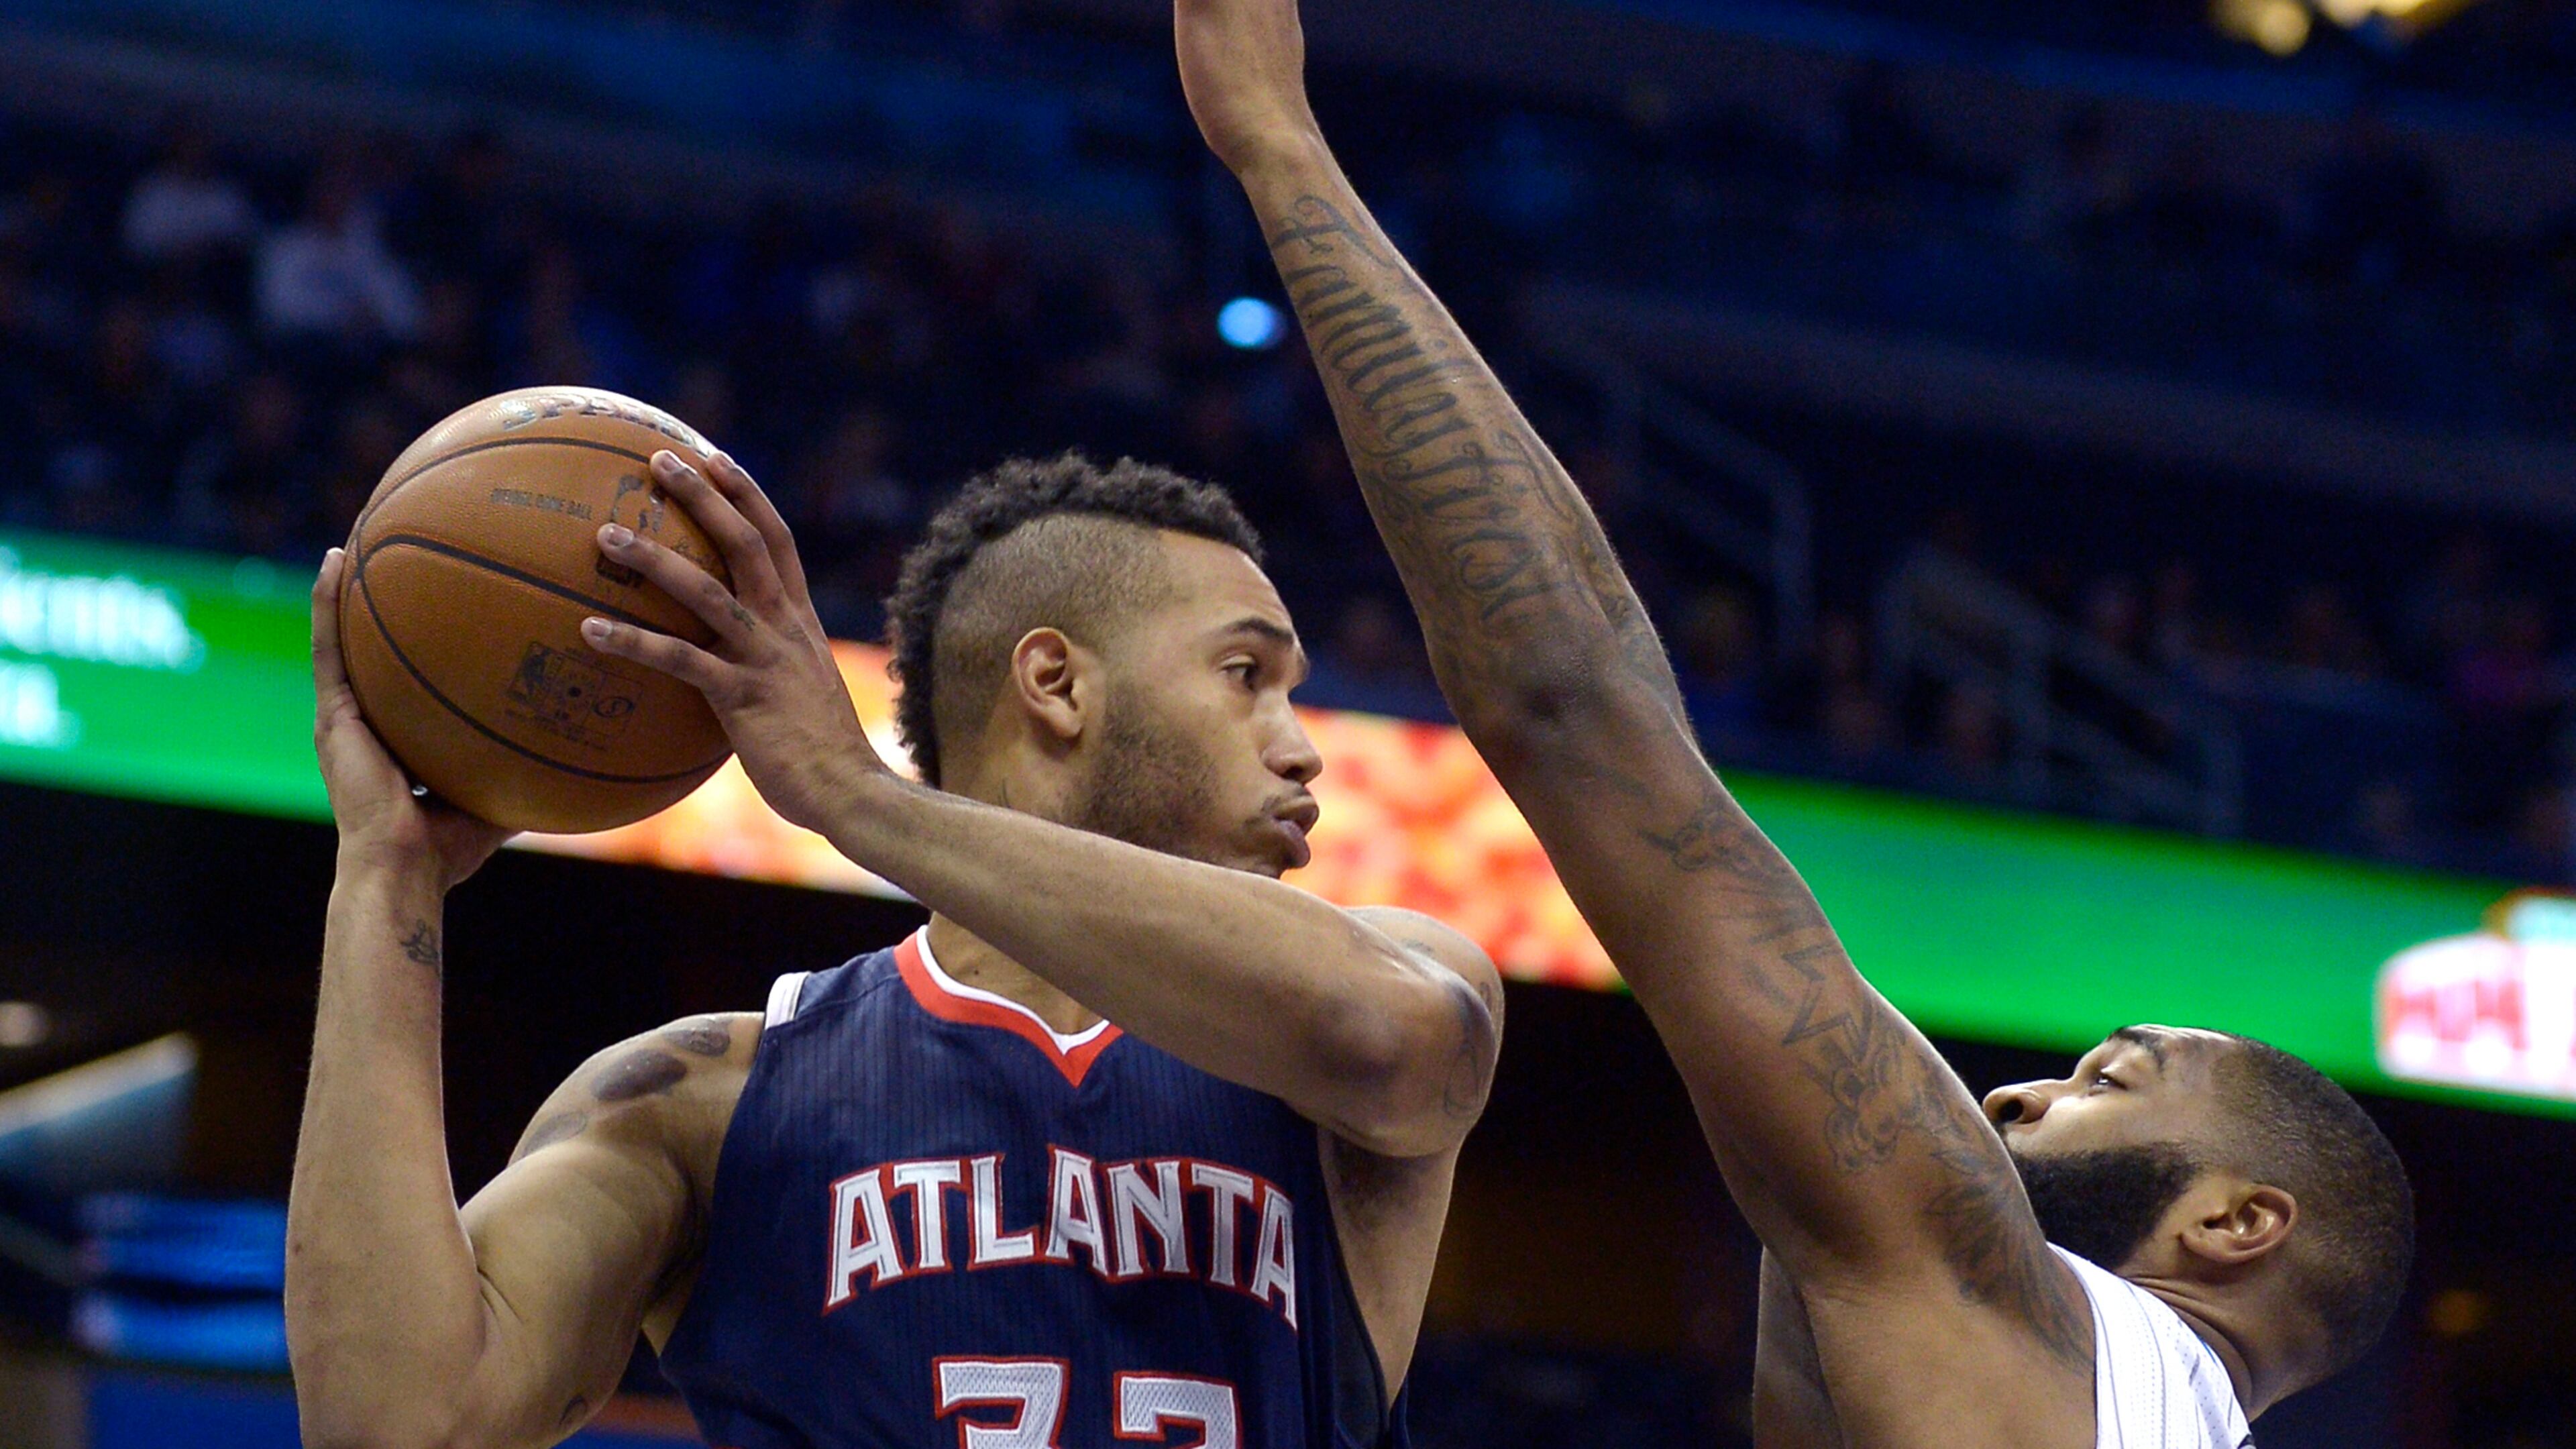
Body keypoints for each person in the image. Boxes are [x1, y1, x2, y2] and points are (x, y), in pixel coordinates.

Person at [1168, 1, 2414, 1446]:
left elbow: (1572, 699)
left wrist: (1280, 149)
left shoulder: (2050, 1320)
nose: (2006, 1100)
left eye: (2105, 1082)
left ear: (2238, 1224)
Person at [289, 451, 1501, 1448]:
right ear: (1054, 683)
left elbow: (1386, 1037)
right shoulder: (704, 1098)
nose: (1303, 752)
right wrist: (385, 878)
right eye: (1247, 676)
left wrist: (852, 797)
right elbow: (400, 1426)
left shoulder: (1380, 992)